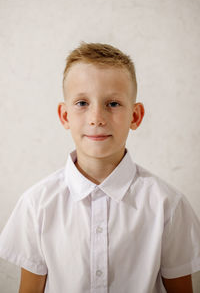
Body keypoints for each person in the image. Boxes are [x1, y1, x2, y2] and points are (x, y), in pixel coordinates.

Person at [0, 42, 200, 293]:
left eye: (113, 104)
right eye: (82, 103)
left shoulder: (168, 206)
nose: (97, 117)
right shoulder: (36, 205)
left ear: (135, 116)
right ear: (64, 116)